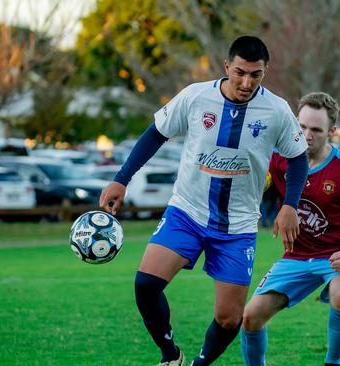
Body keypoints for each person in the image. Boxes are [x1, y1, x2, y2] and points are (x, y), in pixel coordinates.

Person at [99, 36, 308, 366]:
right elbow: (155, 133)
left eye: (256, 74)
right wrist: (121, 178)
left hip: (237, 227)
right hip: (187, 212)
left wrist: (289, 205)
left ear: (265, 72)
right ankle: (171, 356)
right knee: (146, 285)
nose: (246, 82)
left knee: (228, 319)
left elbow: (298, 158)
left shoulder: (277, 110)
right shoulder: (196, 97)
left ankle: (198, 364)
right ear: (226, 67)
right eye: (239, 72)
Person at [240, 92, 340, 366]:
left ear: (332, 132)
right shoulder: (278, 159)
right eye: (301, 127)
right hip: (296, 257)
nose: (306, 134)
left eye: (316, 129)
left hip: (339, 256)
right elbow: (254, 183)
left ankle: (332, 363)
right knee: (250, 318)